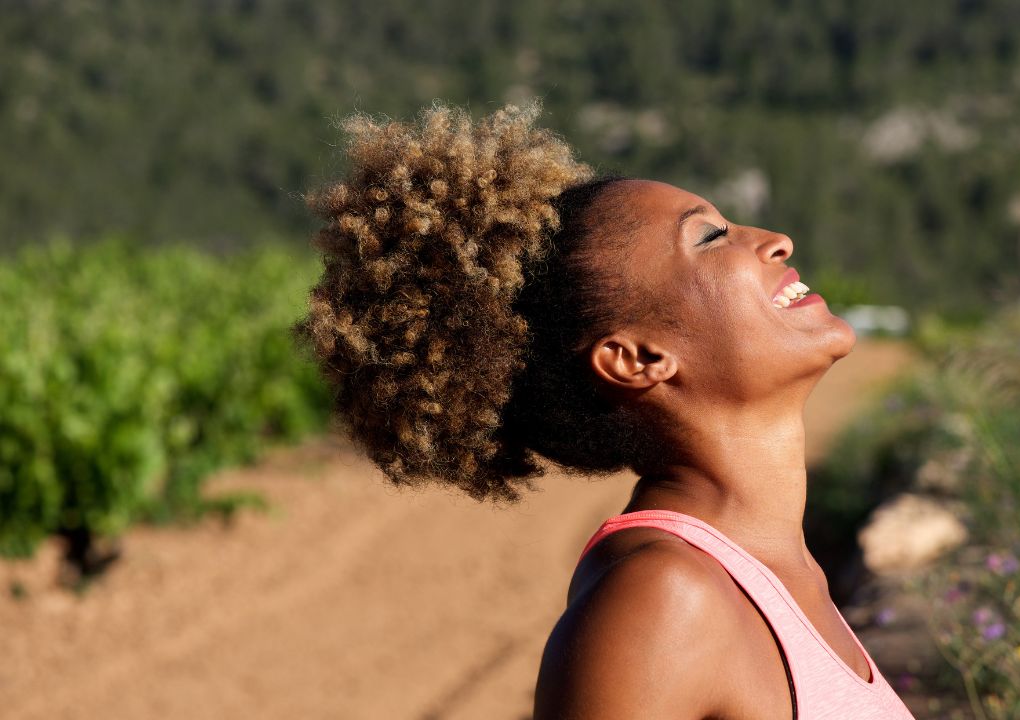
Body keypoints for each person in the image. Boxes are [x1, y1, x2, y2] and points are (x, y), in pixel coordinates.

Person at [295, 103, 917, 719]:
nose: (775, 242)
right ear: (637, 358)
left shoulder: (781, 570)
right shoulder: (663, 601)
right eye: (710, 237)